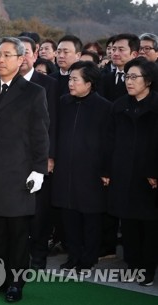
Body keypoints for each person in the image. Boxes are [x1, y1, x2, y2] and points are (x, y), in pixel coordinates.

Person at [0, 37, 49, 301]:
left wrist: (39, 169)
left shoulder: (34, 93)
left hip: (19, 174)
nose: (1, 60)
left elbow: (41, 134)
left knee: (17, 233)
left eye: (7, 55)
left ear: (20, 59)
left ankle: (16, 282)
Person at [52, 61, 111, 274]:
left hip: (92, 171)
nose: (70, 83)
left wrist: (106, 170)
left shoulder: (104, 107)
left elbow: (109, 141)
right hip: (65, 170)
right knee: (69, 216)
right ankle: (73, 255)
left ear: (90, 83)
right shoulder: (63, 102)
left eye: (75, 79)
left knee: (91, 217)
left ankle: (88, 258)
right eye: (69, 78)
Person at [103, 57, 158, 286]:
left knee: (149, 226)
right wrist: (107, 170)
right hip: (123, 173)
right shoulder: (119, 105)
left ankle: (147, 269)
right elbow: (109, 140)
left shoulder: (156, 106)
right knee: (128, 224)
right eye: (127, 76)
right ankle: (133, 265)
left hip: (149, 177)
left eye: (135, 77)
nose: (129, 81)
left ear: (149, 81)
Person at [18, 36, 59, 270]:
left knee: (40, 210)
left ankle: (39, 255)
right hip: (11, 158)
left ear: (35, 55)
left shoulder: (49, 84)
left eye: (26, 52)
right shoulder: (1, 82)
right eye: (17, 52)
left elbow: (53, 122)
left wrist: (49, 156)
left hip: (38, 156)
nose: (22, 57)